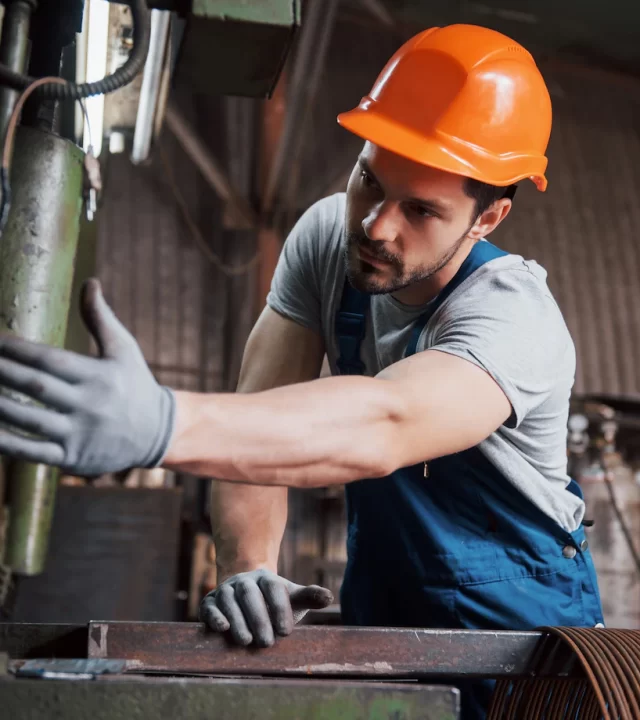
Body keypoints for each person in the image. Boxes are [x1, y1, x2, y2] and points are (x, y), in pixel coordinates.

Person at [0, 24, 603, 718]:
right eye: (369, 182)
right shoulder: (327, 241)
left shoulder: (514, 318)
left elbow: (385, 423)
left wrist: (163, 424)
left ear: (487, 217)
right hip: (390, 619)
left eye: (420, 211)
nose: (377, 225)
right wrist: (249, 568)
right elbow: (262, 422)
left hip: (525, 646)